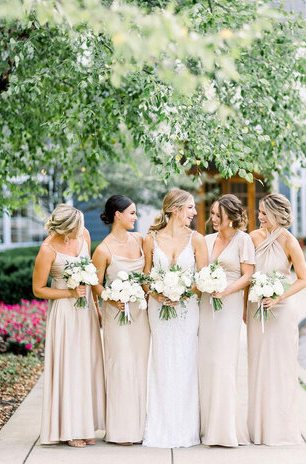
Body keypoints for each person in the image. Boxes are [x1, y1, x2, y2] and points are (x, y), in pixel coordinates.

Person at [33, 204, 105, 447]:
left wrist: (96, 307)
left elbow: (92, 275)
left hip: (85, 310)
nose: (81, 230)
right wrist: (69, 293)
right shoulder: (47, 249)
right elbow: (38, 289)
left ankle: (86, 425)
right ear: (64, 229)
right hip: (64, 312)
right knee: (70, 366)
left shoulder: (83, 236)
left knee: (87, 364)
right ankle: (70, 429)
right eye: (76, 227)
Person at [142, 189, 208, 448]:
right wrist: (157, 294)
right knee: (160, 361)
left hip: (186, 310)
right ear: (175, 209)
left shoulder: (197, 240)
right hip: (158, 310)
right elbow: (146, 277)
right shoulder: (151, 239)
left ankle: (185, 429)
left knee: (185, 361)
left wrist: (181, 293)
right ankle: (159, 427)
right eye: (190, 207)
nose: (193, 212)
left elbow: (203, 280)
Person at [246, 193, 306, 445]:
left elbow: (303, 279)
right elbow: (247, 276)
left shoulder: (290, 242)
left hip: (281, 312)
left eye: (263, 213)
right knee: (258, 367)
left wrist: (279, 297)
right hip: (255, 310)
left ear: (275, 214)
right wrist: (244, 310)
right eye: (259, 212)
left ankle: (280, 429)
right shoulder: (252, 238)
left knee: (280, 368)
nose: (259, 217)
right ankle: (258, 428)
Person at [92, 195, 150, 445]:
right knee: (121, 366)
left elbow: (147, 272)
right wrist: (110, 297)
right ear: (118, 215)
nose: (136, 218)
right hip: (116, 315)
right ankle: (121, 430)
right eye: (132, 213)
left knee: (140, 366)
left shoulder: (140, 240)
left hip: (139, 313)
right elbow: (95, 282)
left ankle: (141, 427)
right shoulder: (103, 249)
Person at [198, 194, 255, 446]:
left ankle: (225, 429)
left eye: (216, 215)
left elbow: (247, 276)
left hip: (228, 306)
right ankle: (207, 426)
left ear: (230, 217)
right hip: (206, 306)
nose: (212, 219)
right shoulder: (207, 240)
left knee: (223, 363)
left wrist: (225, 291)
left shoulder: (243, 240)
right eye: (211, 214)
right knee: (207, 363)